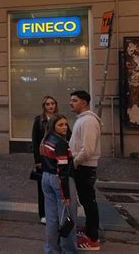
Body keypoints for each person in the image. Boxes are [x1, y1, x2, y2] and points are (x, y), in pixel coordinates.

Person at [69, 90, 102, 251]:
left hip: (84, 167)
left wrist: (74, 163)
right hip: (82, 166)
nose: (71, 103)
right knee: (87, 200)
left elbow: (87, 150)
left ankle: (93, 239)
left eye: (74, 100)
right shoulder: (82, 120)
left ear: (84, 102)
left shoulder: (88, 121)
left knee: (89, 202)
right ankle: (90, 231)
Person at [40, 115, 78, 254]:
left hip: (46, 177)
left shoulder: (45, 140)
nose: (64, 127)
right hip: (60, 180)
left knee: (51, 217)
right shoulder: (60, 143)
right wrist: (66, 194)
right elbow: (62, 170)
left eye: (65, 124)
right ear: (53, 126)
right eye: (60, 125)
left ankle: (51, 250)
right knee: (67, 218)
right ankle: (69, 250)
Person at [31, 96, 58, 225]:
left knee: (56, 186)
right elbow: (35, 141)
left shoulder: (60, 119)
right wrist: (37, 160)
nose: (50, 106)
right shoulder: (38, 120)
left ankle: (55, 213)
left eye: (52, 103)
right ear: (44, 106)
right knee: (42, 187)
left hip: (56, 157)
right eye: (48, 104)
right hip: (43, 157)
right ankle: (43, 213)